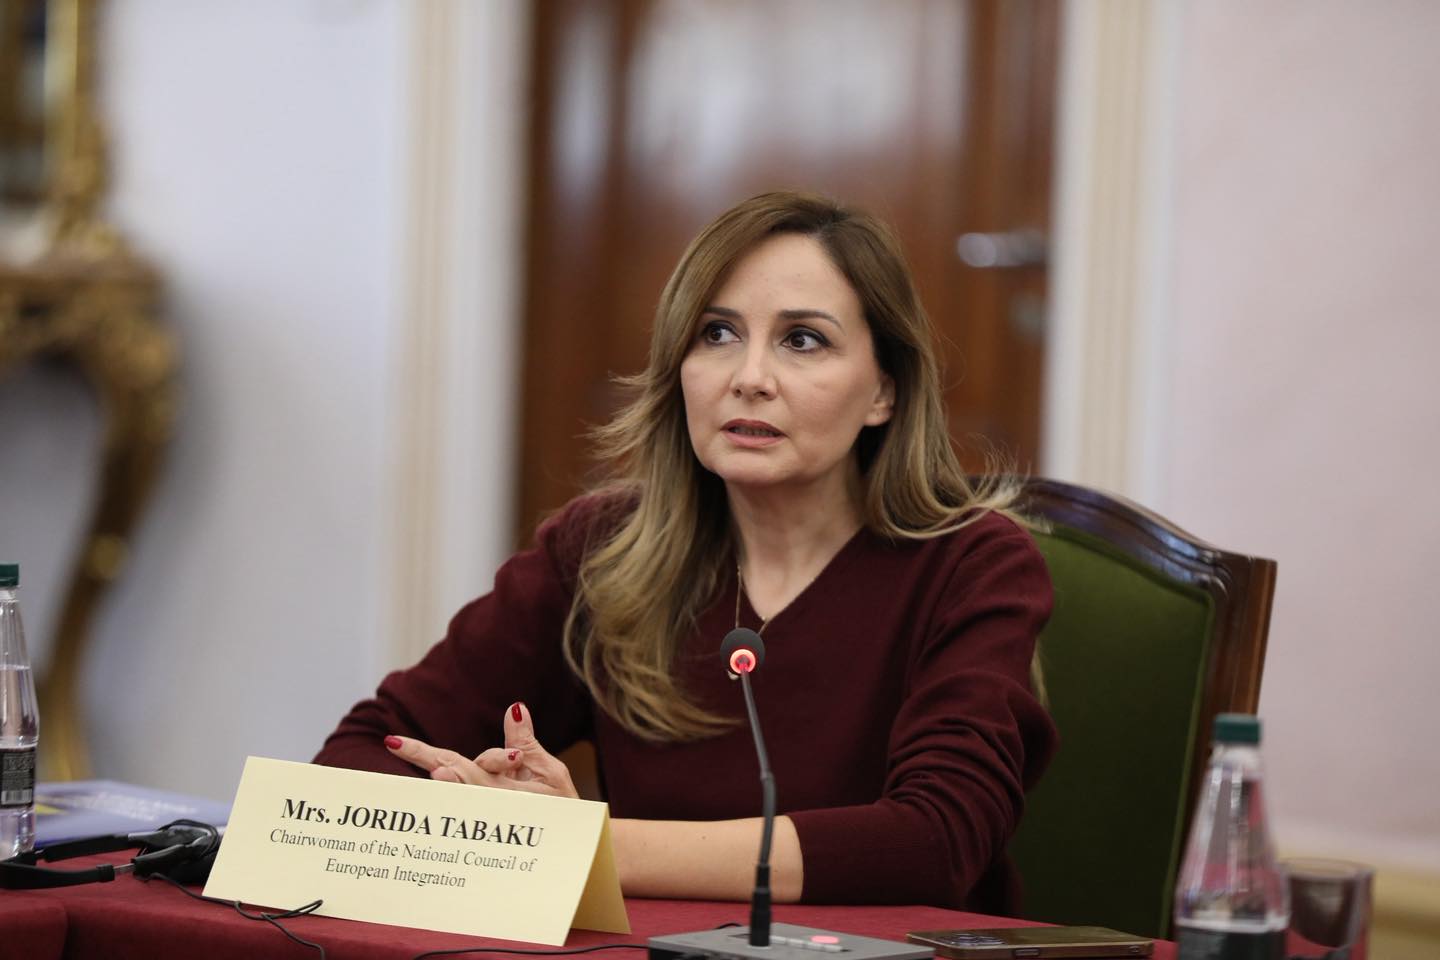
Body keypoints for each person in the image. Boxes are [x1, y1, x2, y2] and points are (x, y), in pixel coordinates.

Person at [315, 191, 1056, 912]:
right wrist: (473, 814)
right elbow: (362, 754)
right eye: (717, 334)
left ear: (883, 393)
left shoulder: (971, 566)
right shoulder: (602, 550)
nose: (749, 379)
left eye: (803, 340)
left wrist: (569, 844)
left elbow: (935, 839)